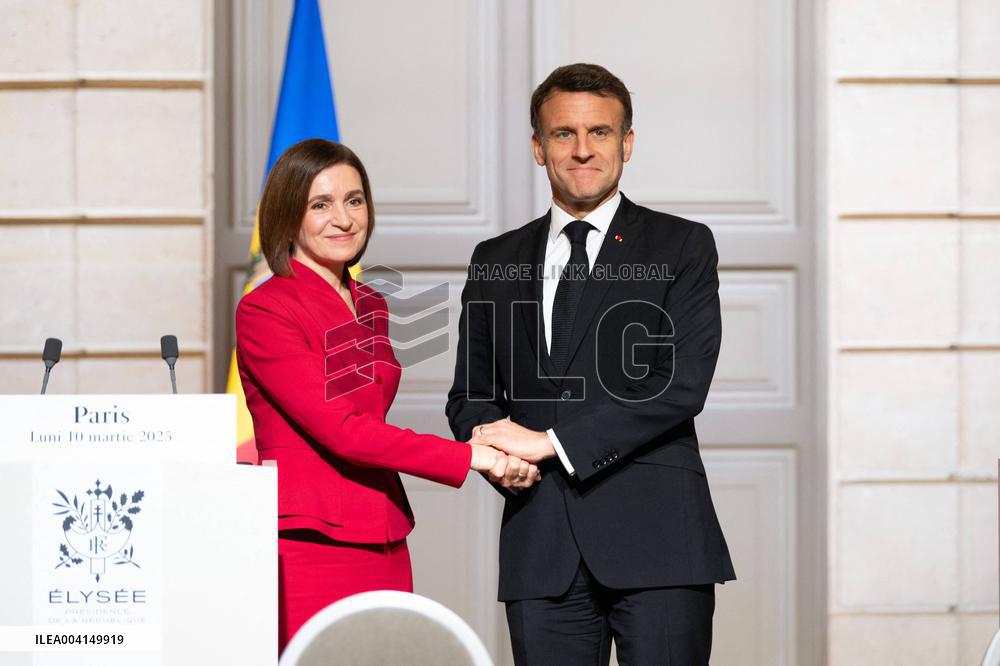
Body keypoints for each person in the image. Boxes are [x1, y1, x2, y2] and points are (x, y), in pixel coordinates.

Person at [447, 64, 735, 665]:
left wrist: (549, 442)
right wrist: (495, 455)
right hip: (540, 543)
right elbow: (471, 395)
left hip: (659, 544)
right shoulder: (494, 258)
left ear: (626, 143)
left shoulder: (682, 245)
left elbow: (679, 387)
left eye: (600, 133)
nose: (582, 150)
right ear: (537, 146)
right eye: (562, 134)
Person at [235, 138, 538, 653]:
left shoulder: (370, 301)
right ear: (289, 216)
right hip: (309, 538)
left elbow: (366, 413)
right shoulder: (265, 310)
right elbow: (341, 428)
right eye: (321, 204)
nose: (344, 218)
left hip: (382, 529)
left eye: (354, 200)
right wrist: (471, 457)